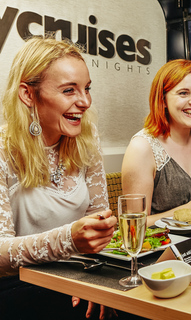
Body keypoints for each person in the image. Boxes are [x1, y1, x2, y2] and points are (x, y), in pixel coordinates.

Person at [0, 37, 119, 319]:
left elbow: (99, 222)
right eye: (69, 90)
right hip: (14, 287)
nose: (85, 101)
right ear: (28, 95)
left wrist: (93, 279)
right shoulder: (3, 151)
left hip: (74, 275)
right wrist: (68, 241)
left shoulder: (88, 140)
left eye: (87, 89)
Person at [122, 59, 191, 226]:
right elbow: (133, 225)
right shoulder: (142, 147)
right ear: (163, 100)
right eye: (183, 93)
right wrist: (190, 208)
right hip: (161, 250)